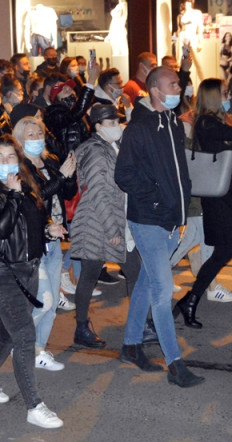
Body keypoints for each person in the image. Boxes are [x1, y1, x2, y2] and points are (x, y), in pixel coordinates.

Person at [115, 66, 203, 387]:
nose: (178, 88)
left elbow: (178, 172)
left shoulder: (173, 125)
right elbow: (123, 174)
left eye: (178, 84)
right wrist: (155, 198)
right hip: (148, 219)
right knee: (163, 291)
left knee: (148, 284)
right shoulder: (139, 128)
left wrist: (178, 212)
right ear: (154, 90)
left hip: (169, 220)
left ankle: (130, 345)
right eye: (172, 84)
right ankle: (175, 363)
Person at [0, 134, 64, 429]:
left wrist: (50, 232)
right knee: (24, 336)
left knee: (10, 332)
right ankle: (34, 406)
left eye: (10, 156)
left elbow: (31, 228)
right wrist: (12, 194)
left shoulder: (28, 190)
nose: (4, 161)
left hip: (28, 271)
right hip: (0, 274)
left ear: (19, 161)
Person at [175, 78, 232, 333]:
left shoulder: (223, 121)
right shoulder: (206, 124)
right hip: (222, 201)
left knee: (221, 256)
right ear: (213, 97)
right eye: (224, 93)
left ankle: (190, 301)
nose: (228, 96)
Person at [72, 105, 149, 360]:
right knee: (90, 274)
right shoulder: (95, 151)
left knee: (135, 272)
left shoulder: (112, 145)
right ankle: (81, 328)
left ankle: (140, 325)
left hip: (118, 220)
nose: (116, 124)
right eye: (110, 121)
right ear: (97, 126)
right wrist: (112, 228)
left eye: (117, 119)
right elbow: (97, 192)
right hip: (97, 223)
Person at [12, 116, 76, 369]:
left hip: (56, 235)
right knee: (42, 300)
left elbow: (67, 194)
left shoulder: (50, 161)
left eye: (39, 133)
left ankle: (38, 349)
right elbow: (36, 198)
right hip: (36, 239)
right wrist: (61, 177)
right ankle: (18, 342)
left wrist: (69, 176)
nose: (37, 138)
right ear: (18, 139)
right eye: (30, 134)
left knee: (50, 304)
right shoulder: (20, 167)